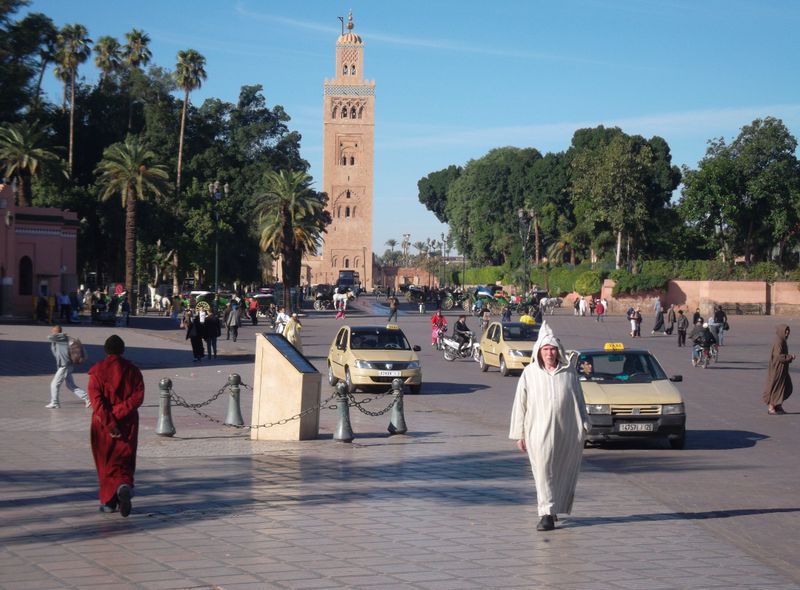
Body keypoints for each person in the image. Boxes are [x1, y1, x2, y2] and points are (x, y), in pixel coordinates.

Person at [509, 321, 588, 532]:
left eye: (552, 349)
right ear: (539, 352)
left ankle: (554, 507)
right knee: (542, 471)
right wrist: (519, 434)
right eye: (546, 349)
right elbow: (521, 404)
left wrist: (585, 425)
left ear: (558, 351)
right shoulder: (530, 373)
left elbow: (579, 400)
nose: (550, 353)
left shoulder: (569, 373)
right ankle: (545, 514)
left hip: (566, 430)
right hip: (538, 431)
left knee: (562, 470)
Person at [88, 335, 144, 517]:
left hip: (103, 424)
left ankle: (109, 501)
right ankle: (124, 485)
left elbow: (97, 402)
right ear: (122, 350)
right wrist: (121, 412)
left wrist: (111, 421)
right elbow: (138, 397)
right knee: (125, 459)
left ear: (105, 350)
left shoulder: (97, 372)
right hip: (128, 422)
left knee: (106, 462)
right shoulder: (134, 371)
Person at [46, 325, 91, 409]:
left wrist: (60, 334)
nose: (52, 332)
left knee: (54, 384)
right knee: (71, 385)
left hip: (64, 366)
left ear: (56, 331)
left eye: (53, 331)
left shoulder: (60, 337)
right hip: (66, 365)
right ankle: (88, 399)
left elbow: (49, 337)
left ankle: (55, 402)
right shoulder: (61, 338)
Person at [763, 325, 795, 415]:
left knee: (786, 387)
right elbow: (779, 356)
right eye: (785, 331)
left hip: (782, 369)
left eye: (788, 331)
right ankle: (771, 407)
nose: (787, 333)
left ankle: (778, 405)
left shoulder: (782, 340)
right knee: (776, 387)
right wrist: (790, 357)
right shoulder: (778, 341)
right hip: (777, 369)